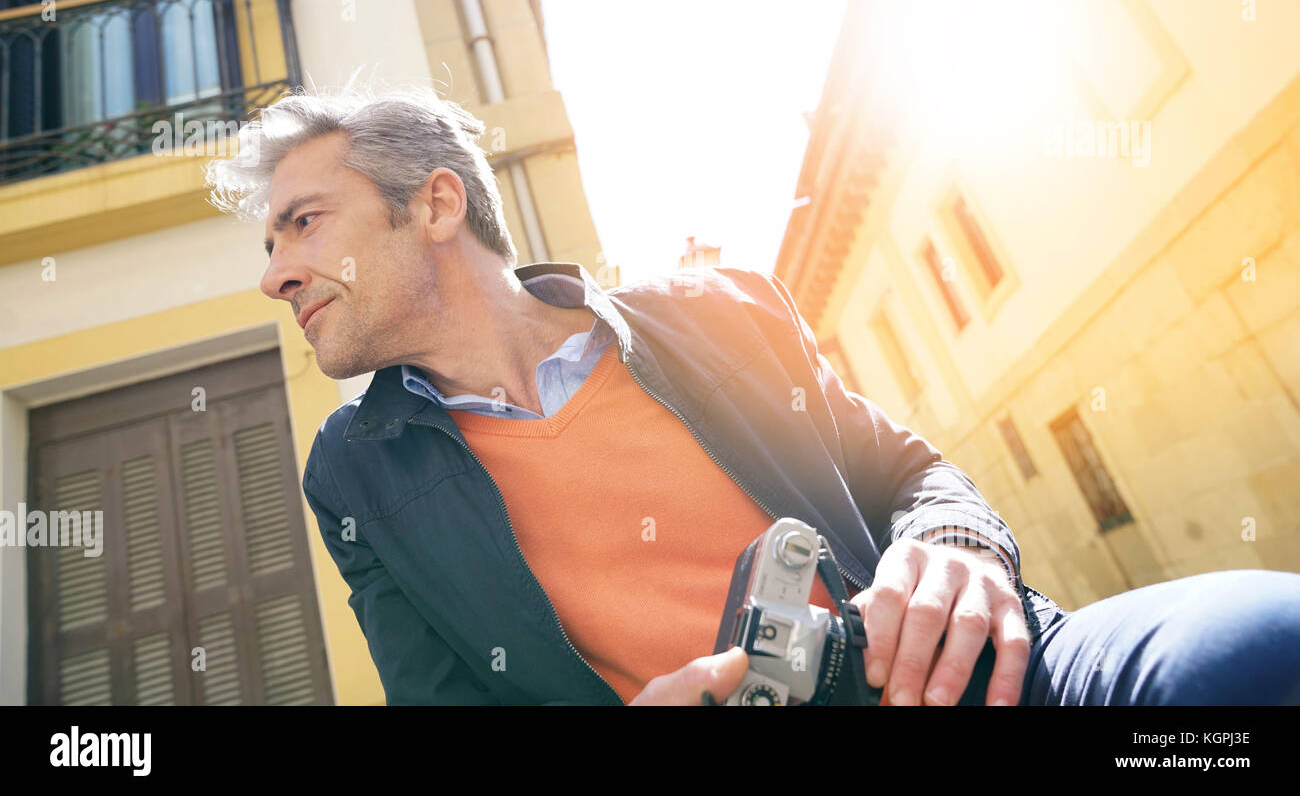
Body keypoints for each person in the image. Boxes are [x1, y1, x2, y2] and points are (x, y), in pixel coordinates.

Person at [205, 85, 1300, 705]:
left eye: (303, 223)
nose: (275, 273)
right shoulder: (352, 473)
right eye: (269, 242)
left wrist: (960, 543)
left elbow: (911, 471)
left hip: (975, 680)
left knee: (1263, 648)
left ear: (434, 204)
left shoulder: (720, 310)